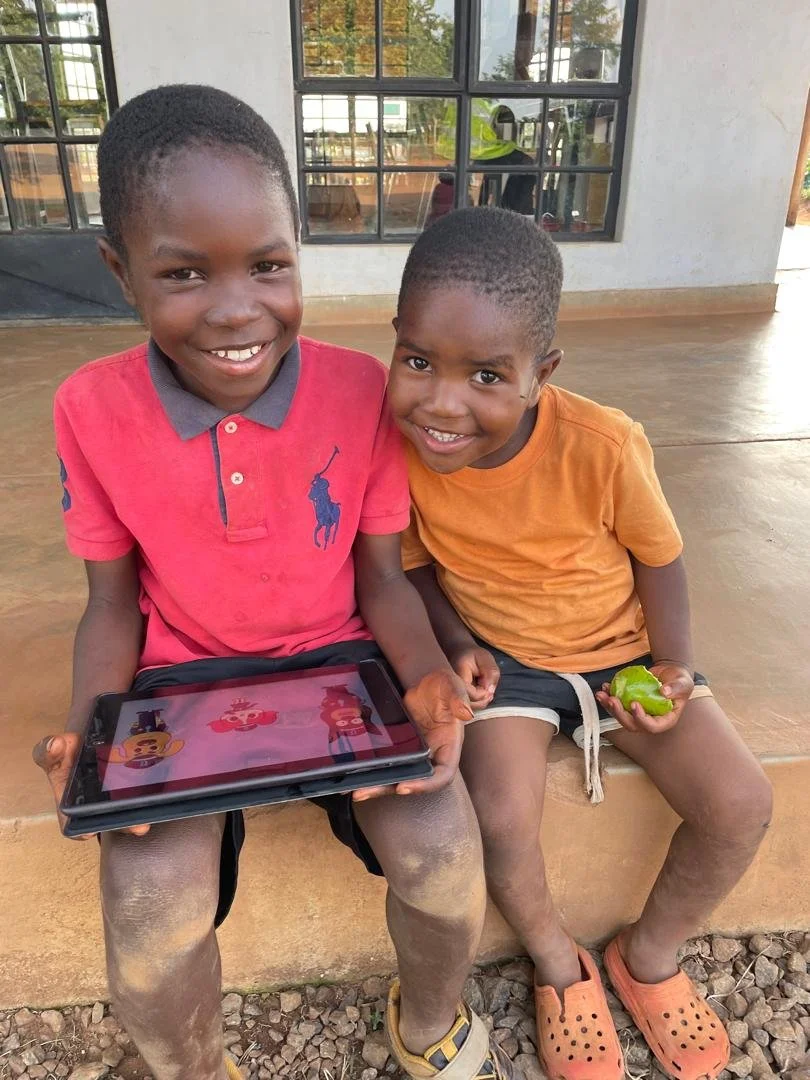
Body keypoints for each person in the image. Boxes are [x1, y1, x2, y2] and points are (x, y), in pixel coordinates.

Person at [33, 87, 515, 1080]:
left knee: (441, 850)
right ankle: (196, 1068)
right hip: (178, 686)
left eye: (268, 265)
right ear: (121, 272)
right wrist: (94, 736)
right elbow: (111, 604)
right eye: (183, 273)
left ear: (300, 252)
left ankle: (429, 1023)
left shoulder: (359, 391)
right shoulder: (89, 409)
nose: (236, 309)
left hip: (342, 673)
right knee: (145, 905)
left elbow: (382, 580)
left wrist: (425, 676)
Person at [386, 206, 773, 1080]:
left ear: (541, 373)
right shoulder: (397, 448)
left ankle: (651, 955)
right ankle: (559, 961)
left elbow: (659, 558)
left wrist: (672, 666)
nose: (442, 403)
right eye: (418, 361)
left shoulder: (603, 444)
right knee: (499, 817)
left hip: (623, 651)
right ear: (396, 338)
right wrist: (455, 642)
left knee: (741, 804)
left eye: (488, 375)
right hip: (508, 667)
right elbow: (411, 569)